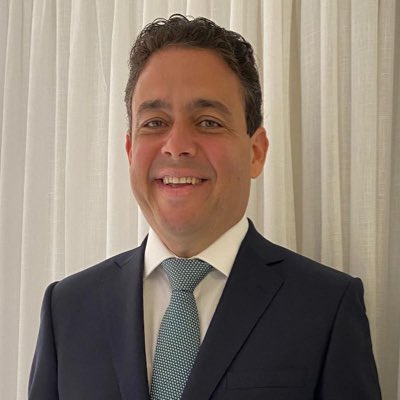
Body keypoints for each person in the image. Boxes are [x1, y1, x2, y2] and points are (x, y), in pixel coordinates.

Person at [29, 14, 381, 400]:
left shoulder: (326, 306)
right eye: (155, 123)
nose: (177, 145)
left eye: (209, 122)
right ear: (130, 151)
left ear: (256, 152)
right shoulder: (67, 309)